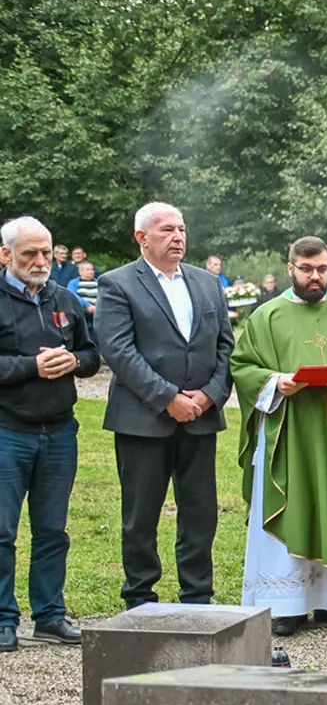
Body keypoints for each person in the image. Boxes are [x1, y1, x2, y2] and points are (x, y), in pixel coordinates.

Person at [230, 236, 327, 636]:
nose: (315, 277)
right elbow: (243, 365)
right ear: (290, 268)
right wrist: (275, 382)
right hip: (290, 433)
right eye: (306, 269)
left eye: (322, 269)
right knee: (294, 500)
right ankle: (285, 603)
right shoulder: (266, 316)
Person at [95, 203, 235, 609]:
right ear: (142, 237)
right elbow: (119, 351)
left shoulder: (206, 284)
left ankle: (197, 596)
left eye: (182, 229)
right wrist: (167, 398)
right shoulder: (118, 284)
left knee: (200, 515)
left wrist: (209, 394)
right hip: (143, 420)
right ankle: (140, 598)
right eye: (167, 230)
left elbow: (224, 344)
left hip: (200, 418)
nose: (178, 237)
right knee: (141, 517)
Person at [0, 217, 100, 650]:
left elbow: (93, 354)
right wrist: (31, 367)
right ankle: (4, 619)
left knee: (52, 531)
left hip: (60, 432)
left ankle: (49, 615)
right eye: (30, 254)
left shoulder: (64, 298)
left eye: (46, 252)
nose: (41, 261)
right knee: (2, 533)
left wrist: (74, 362)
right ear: (5, 255)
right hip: (8, 432)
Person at [67, 261, 99, 330]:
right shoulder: (74, 282)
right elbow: (71, 294)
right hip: (81, 314)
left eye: (92, 269)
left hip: (96, 316)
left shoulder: (98, 282)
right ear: (80, 272)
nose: (91, 272)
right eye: (88, 270)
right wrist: (87, 305)